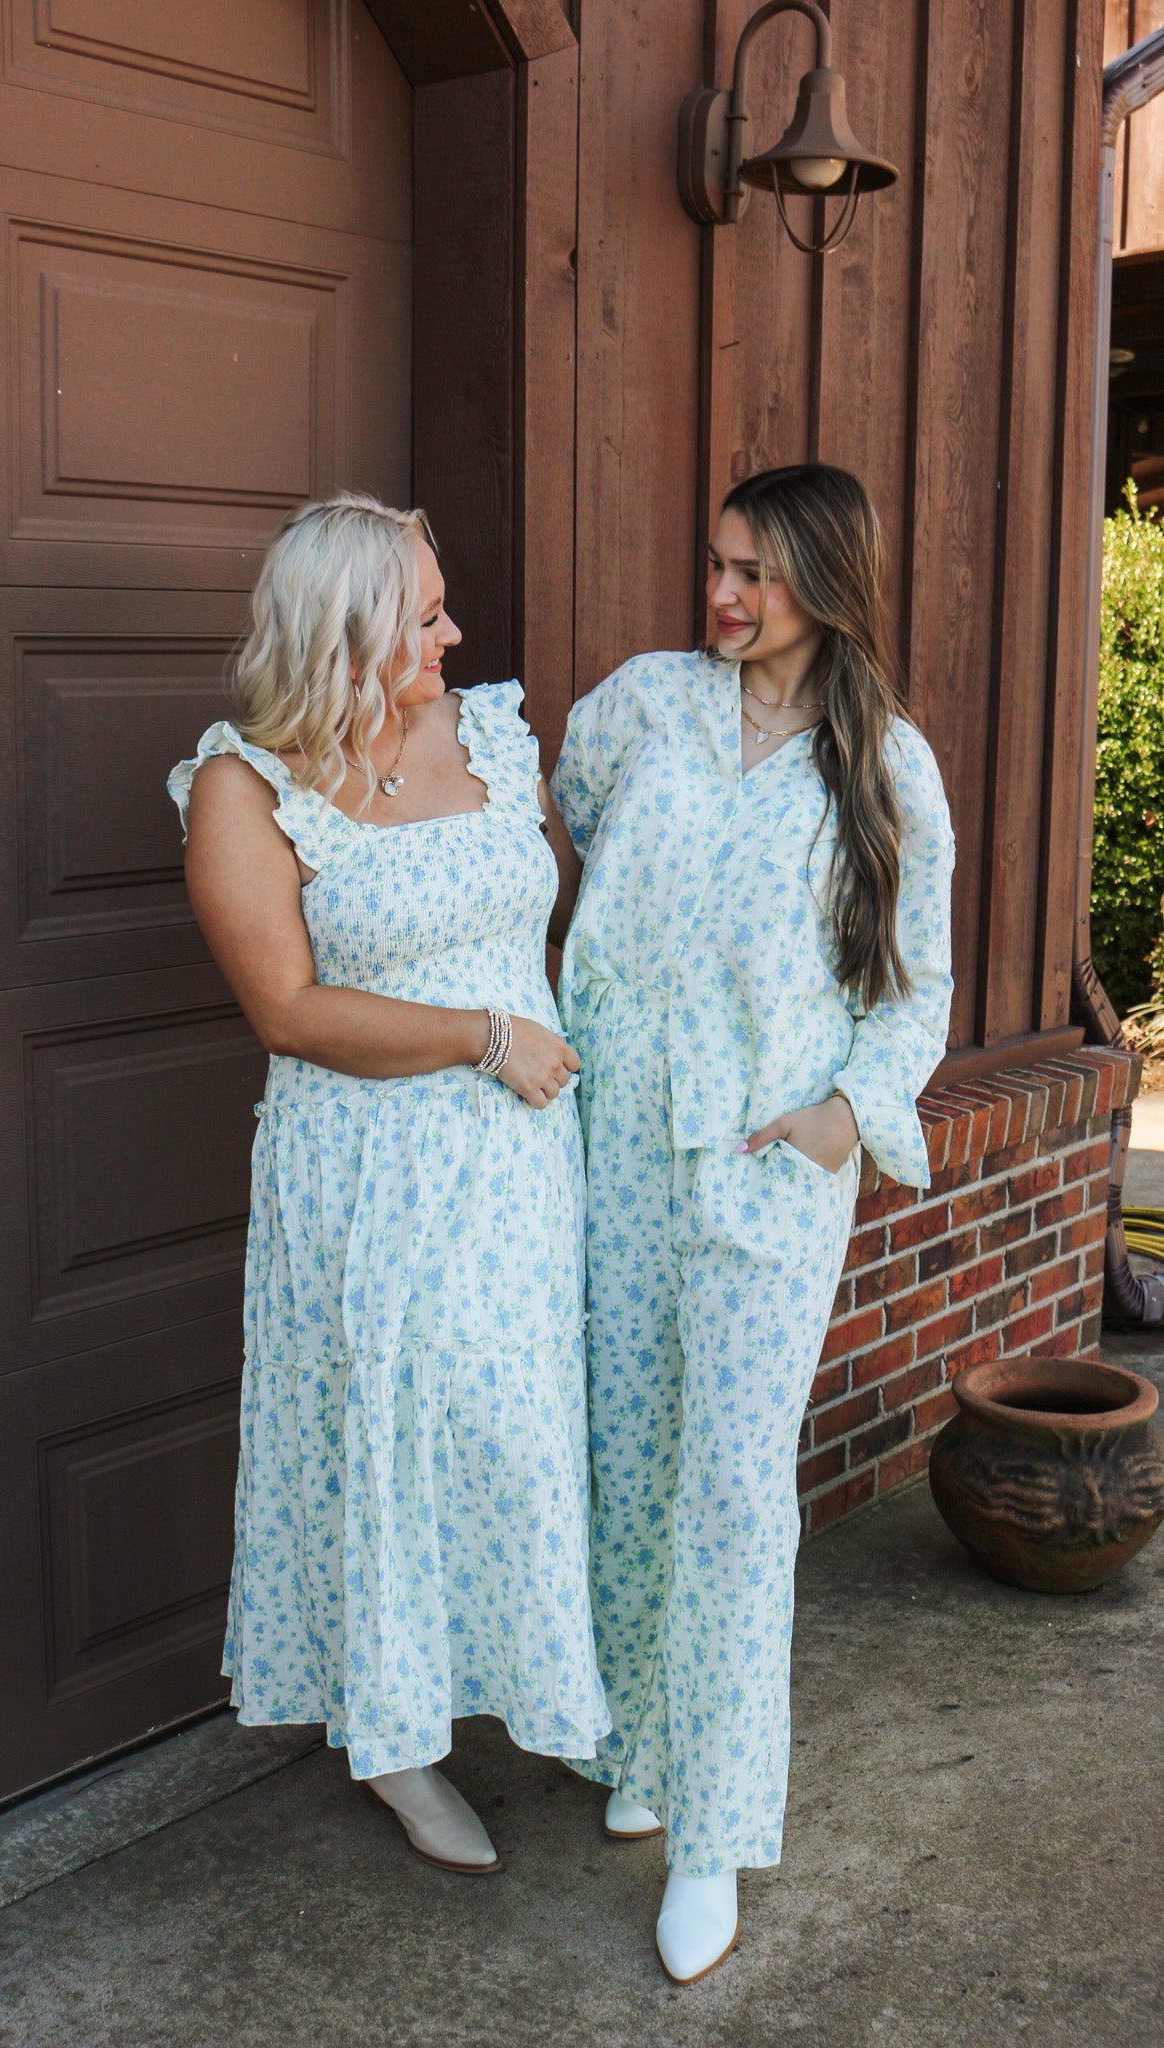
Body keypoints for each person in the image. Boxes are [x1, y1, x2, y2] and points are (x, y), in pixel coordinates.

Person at [553, 463, 954, 1980]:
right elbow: (581, 838)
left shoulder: (886, 767)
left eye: (755, 576)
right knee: (629, 1458)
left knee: (729, 1491)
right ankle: (644, 1750)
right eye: (715, 564)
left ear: (826, 586)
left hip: (770, 1162)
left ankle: (709, 1836)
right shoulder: (638, 707)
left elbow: (910, 980)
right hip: (615, 1153)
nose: (722, 596)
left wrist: (847, 1114)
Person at [169, 492, 608, 1877]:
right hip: (369, 1176)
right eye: (423, 616)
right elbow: (290, 1011)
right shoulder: (244, 787)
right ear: (344, 631)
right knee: (385, 1447)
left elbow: (545, 908)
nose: (453, 631)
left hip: (520, 1166)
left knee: (519, 1433)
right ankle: (399, 1747)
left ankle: (552, 1694)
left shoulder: (486, 728)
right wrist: (483, 1040)